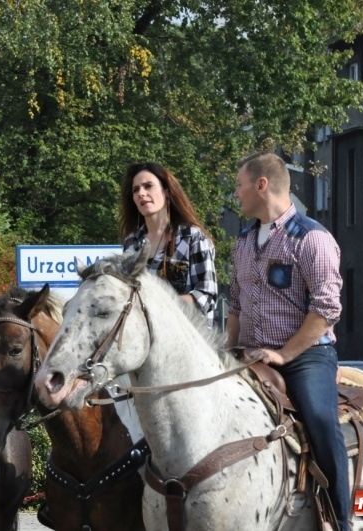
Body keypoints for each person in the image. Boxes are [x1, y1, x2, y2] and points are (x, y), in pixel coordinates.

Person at [226, 152, 349, 531]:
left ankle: (341, 519)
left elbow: (327, 309)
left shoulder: (312, 238)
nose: (235, 194)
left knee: (321, 420)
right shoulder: (244, 241)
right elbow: (234, 304)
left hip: (307, 357)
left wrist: (283, 354)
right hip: (248, 354)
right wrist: (227, 351)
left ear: (262, 185)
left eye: (239, 185)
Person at [119, 162, 218, 321]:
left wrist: (158, 304)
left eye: (148, 186)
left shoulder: (193, 237)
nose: (141, 193)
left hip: (187, 338)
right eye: (135, 190)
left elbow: (206, 296)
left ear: (166, 191)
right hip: (146, 339)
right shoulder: (131, 243)